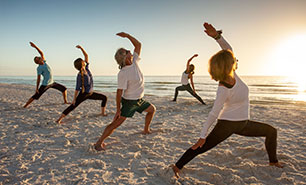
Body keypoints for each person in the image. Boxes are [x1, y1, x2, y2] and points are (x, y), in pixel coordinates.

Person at [172, 22, 283, 178]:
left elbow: (228, 49)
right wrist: (202, 136)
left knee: (271, 132)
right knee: (202, 147)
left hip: (244, 123)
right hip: (227, 124)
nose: (236, 60)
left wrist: (217, 37)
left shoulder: (233, 75)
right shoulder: (223, 88)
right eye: (234, 60)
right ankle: (176, 166)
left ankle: (273, 161)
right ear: (228, 65)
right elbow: (214, 112)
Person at [94, 32, 156, 151]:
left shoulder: (134, 62)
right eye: (127, 51)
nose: (130, 50)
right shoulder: (123, 73)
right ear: (126, 57)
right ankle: (98, 143)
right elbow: (119, 92)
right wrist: (118, 109)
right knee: (116, 124)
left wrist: (127, 36)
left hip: (139, 100)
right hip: (129, 102)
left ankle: (146, 130)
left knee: (152, 110)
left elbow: (138, 44)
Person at [56, 45, 107, 123]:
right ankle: (59, 120)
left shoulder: (87, 68)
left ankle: (102, 113)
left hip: (90, 93)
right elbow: (77, 89)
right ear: (82, 64)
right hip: (83, 94)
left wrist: (81, 49)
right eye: (83, 61)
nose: (84, 61)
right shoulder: (80, 75)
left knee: (104, 98)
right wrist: (74, 99)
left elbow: (86, 55)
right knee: (73, 106)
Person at [23, 42, 68, 108]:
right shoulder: (39, 68)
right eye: (38, 58)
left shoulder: (44, 62)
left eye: (39, 57)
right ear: (37, 62)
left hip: (52, 82)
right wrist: (37, 88)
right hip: (45, 84)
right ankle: (26, 105)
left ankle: (65, 101)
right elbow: (38, 78)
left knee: (64, 89)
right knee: (36, 95)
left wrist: (35, 46)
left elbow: (41, 52)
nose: (40, 58)